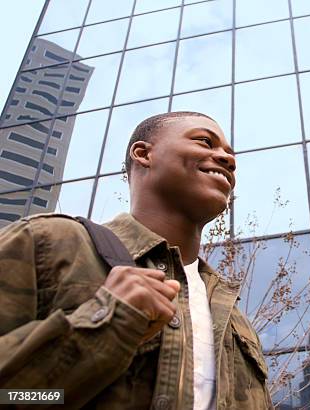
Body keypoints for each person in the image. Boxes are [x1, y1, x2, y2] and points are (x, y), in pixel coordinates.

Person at [0, 112, 272, 409]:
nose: (227, 159)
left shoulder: (236, 320)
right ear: (143, 154)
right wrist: (107, 321)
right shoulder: (49, 241)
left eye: (230, 155)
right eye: (205, 142)